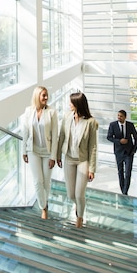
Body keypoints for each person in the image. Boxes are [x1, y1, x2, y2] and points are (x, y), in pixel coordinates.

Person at [57, 92, 98, 228]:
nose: (69, 105)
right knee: (70, 195)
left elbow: (93, 147)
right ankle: (78, 206)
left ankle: (79, 217)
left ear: (78, 104)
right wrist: (57, 155)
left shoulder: (90, 122)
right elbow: (61, 136)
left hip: (82, 161)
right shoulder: (67, 117)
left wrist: (92, 169)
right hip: (68, 159)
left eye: (71, 102)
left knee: (79, 195)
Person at [22, 86, 58, 219]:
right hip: (33, 150)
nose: (46, 98)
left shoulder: (52, 112)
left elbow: (55, 136)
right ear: (37, 96)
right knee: (38, 181)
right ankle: (44, 207)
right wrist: (24, 151)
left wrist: (53, 156)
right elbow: (25, 132)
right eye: (44, 95)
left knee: (46, 182)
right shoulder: (28, 111)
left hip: (48, 152)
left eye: (47, 95)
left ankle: (44, 202)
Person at [106, 109, 137, 195]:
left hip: (129, 152)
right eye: (118, 116)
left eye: (121, 116)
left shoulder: (130, 125)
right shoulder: (113, 125)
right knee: (120, 172)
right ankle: (123, 192)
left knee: (128, 173)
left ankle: (125, 191)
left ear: (125, 117)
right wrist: (119, 141)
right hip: (119, 152)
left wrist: (134, 150)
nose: (119, 118)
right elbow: (109, 137)